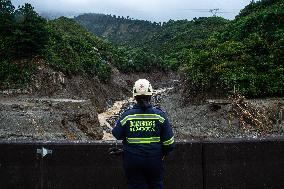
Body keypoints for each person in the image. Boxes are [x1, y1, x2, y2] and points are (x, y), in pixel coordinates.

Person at [112, 79, 175, 189]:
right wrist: (162, 153)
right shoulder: (160, 116)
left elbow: (117, 134)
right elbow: (169, 142)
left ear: (134, 97)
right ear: (150, 95)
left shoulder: (127, 115)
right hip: (154, 160)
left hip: (132, 160)